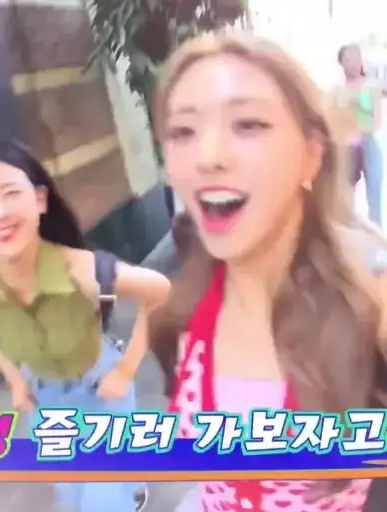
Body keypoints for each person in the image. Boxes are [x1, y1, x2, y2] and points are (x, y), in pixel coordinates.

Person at [148, 32, 387, 512]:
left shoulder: (369, 303)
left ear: (311, 154)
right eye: (182, 132)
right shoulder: (179, 308)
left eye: (249, 124)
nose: (207, 156)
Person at [0, 140, 171, 512]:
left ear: (40, 200)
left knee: (103, 502)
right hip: (43, 400)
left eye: (10, 193)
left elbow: (160, 292)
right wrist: (14, 379)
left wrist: (126, 369)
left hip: (101, 391)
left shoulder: (85, 271)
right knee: (71, 494)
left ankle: (126, 488)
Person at [334, 43, 384, 227]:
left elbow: (376, 121)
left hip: (369, 146)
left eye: (356, 57)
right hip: (346, 149)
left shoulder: (371, 87)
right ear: (341, 63)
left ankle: (377, 239)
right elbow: (334, 119)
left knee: (374, 203)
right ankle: (348, 238)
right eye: (348, 59)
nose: (353, 62)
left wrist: (357, 130)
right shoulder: (338, 90)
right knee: (346, 202)